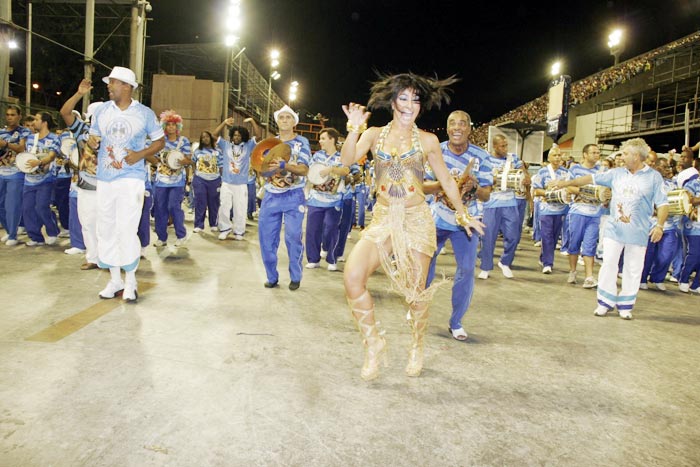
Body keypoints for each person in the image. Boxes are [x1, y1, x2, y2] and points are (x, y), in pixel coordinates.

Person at [340, 73, 484, 381]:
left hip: (417, 219)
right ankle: (374, 343)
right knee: (353, 277)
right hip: (383, 219)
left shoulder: (428, 141)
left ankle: (417, 346)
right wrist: (353, 128)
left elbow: (445, 179)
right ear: (393, 101)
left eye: (415, 100)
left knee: (416, 293)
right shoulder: (375, 134)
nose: (409, 106)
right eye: (403, 99)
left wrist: (462, 214)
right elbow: (347, 159)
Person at [549, 138, 668, 319]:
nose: (622, 157)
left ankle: (626, 306)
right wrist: (564, 184)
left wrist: (659, 226)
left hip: (638, 232)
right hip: (614, 230)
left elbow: (663, 204)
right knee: (609, 264)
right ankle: (604, 303)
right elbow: (590, 178)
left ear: (636, 156)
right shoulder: (617, 173)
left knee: (633, 268)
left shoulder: (653, 177)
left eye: (625, 153)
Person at [88, 66, 165, 302]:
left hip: (131, 178)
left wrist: (140, 154)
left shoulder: (144, 113)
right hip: (105, 177)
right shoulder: (101, 111)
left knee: (126, 228)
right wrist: (92, 142)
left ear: (126, 86)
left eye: (113, 82)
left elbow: (160, 142)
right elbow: (94, 138)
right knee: (106, 228)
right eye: (109, 83)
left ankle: (130, 282)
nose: (109, 86)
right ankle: (114, 280)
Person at [424, 110, 492, 342]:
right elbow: (421, 186)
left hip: (467, 221)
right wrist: (444, 185)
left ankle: (456, 322)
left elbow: (486, 196)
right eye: (452, 123)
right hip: (438, 217)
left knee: (466, 270)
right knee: (425, 263)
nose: (457, 128)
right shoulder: (436, 151)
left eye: (462, 123)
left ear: (469, 129)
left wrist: (473, 187)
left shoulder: (481, 156)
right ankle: (418, 310)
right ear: (447, 127)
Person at [257, 105, 310, 290]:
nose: (285, 120)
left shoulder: (302, 142)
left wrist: (285, 166)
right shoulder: (270, 143)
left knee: (293, 237)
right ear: (277, 121)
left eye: (288, 117)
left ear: (294, 122)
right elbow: (260, 168)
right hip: (271, 195)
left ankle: (295, 276)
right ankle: (271, 277)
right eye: (282, 117)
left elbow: (304, 170)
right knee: (266, 239)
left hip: (294, 196)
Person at [59, 78, 104, 269]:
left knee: (107, 225)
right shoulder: (82, 131)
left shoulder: (116, 134)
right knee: (87, 222)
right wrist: (79, 94)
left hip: (107, 185)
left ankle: (108, 258)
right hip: (85, 186)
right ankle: (93, 257)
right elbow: (65, 112)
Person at [478, 134, 529, 279]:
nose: (505, 148)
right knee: (488, 237)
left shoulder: (513, 158)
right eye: (502, 146)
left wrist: (524, 177)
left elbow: (524, 173)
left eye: (506, 145)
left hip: (510, 203)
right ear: (494, 146)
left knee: (513, 236)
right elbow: (480, 178)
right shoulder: (486, 159)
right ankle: (485, 267)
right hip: (491, 204)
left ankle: (505, 262)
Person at [305, 127, 350, 271]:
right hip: (315, 198)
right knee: (312, 230)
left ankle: (332, 258)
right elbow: (310, 171)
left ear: (332, 140)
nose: (320, 141)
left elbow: (345, 170)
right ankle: (313, 259)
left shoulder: (341, 157)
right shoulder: (317, 155)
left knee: (331, 228)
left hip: (334, 200)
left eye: (323, 138)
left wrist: (331, 169)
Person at [213, 117, 261, 240]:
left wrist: (252, 121)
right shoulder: (225, 145)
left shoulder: (248, 146)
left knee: (240, 208)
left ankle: (239, 231)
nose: (236, 138)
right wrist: (224, 122)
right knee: (224, 206)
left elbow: (258, 136)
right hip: (227, 182)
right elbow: (214, 135)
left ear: (243, 136)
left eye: (239, 136)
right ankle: (225, 228)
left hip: (241, 184)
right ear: (231, 136)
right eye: (234, 135)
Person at [565, 144, 605, 288]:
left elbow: (605, 191)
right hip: (577, 212)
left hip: (594, 214)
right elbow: (568, 186)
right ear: (585, 154)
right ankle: (573, 271)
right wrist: (587, 193)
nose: (597, 155)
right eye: (593, 152)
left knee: (590, 246)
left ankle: (589, 277)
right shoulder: (575, 169)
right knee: (574, 243)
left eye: (598, 152)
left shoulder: (601, 171)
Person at [153, 110, 192, 247]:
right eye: (168, 125)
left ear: (178, 127)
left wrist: (183, 162)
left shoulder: (184, 141)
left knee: (174, 206)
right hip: (161, 180)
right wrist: (157, 162)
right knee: (160, 208)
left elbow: (189, 160)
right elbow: (153, 157)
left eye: (173, 125)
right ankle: (161, 237)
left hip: (177, 181)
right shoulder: (160, 142)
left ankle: (181, 235)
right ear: (164, 126)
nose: (171, 127)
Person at [640, 157, 679, 291]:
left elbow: (678, 201)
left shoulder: (673, 184)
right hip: (650, 224)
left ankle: (657, 278)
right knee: (648, 253)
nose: (668, 169)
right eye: (665, 167)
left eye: (669, 167)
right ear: (656, 167)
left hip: (669, 225)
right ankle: (642, 278)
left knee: (667, 254)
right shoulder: (648, 182)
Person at [22, 112, 61, 246]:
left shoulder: (54, 138)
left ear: (44, 122)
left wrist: (39, 163)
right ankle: (35, 237)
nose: (34, 122)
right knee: (27, 209)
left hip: (46, 180)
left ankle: (52, 231)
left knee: (42, 207)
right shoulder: (31, 138)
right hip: (29, 180)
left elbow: (51, 156)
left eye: (37, 119)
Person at [532, 145, 572, 274]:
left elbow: (569, 189)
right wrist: (549, 193)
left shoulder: (566, 173)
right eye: (555, 155)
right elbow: (536, 190)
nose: (558, 158)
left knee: (555, 236)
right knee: (547, 235)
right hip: (546, 209)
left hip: (561, 209)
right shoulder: (542, 172)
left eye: (559, 155)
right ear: (549, 157)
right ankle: (548, 263)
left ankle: (544, 257)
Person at [0, 105, 32, 246]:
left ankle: (13, 235)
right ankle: (8, 231)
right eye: (7, 114)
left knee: (12, 206)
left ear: (19, 116)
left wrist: (5, 144)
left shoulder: (23, 132)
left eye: (13, 114)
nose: (9, 117)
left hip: (16, 174)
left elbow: (21, 148)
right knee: (1, 205)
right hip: (1, 172)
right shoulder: (1, 132)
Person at [190, 131, 222, 233]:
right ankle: (199, 224)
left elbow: (221, 166)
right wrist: (194, 173)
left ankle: (213, 224)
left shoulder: (218, 151)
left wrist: (222, 179)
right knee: (200, 202)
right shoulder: (197, 151)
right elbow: (193, 162)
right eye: (203, 137)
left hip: (215, 180)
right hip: (200, 180)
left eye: (207, 137)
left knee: (214, 203)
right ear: (201, 140)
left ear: (210, 138)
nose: (205, 139)